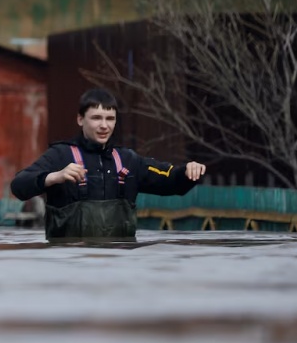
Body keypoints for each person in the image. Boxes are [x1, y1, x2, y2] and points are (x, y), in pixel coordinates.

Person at [11, 87, 206, 240]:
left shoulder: (128, 160)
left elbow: (172, 181)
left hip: (119, 266)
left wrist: (189, 172)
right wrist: (54, 177)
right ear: (80, 119)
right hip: (70, 268)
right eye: (96, 118)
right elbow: (19, 186)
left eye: (110, 119)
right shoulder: (60, 155)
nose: (104, 125)